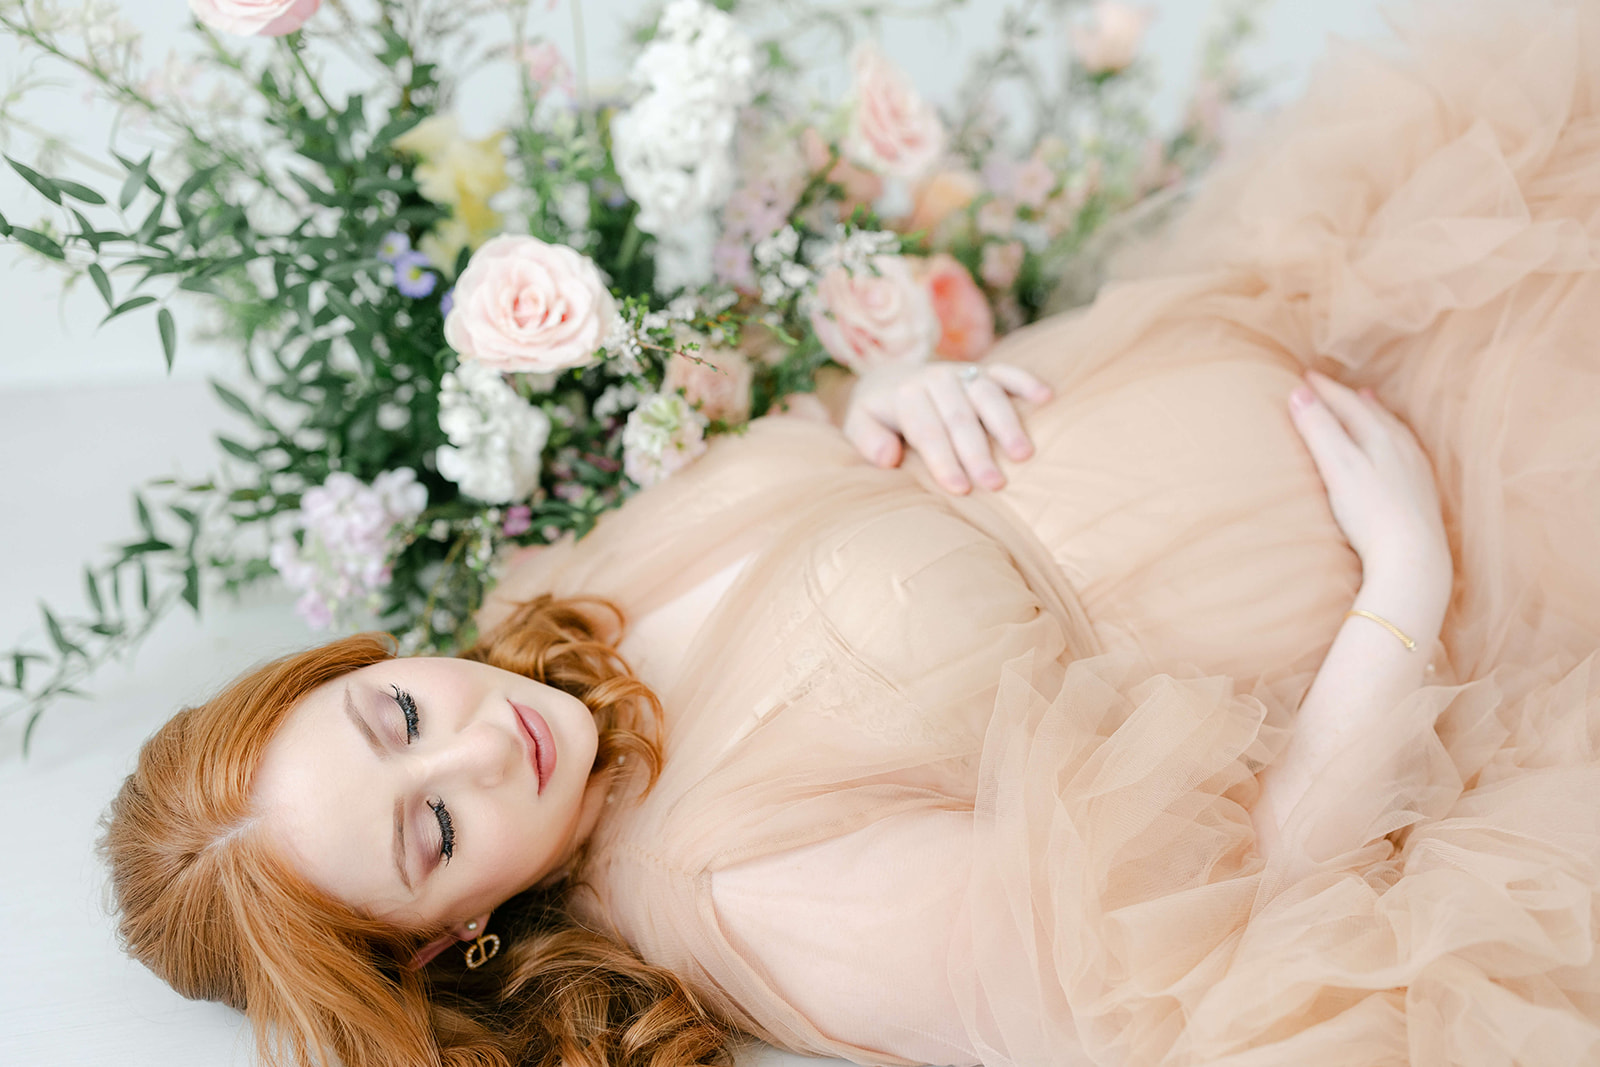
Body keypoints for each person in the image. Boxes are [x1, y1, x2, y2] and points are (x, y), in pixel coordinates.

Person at [99, 1, 1600, 1065]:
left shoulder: (568, 611)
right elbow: (1198, 941)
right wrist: (1406, 579)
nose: (482, 744)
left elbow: (831, 486)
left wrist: (894, 396)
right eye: (431, 828)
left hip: (1335, 312)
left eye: (399, 713)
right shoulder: (732, 887)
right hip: (1487, 553)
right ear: (452, 941)